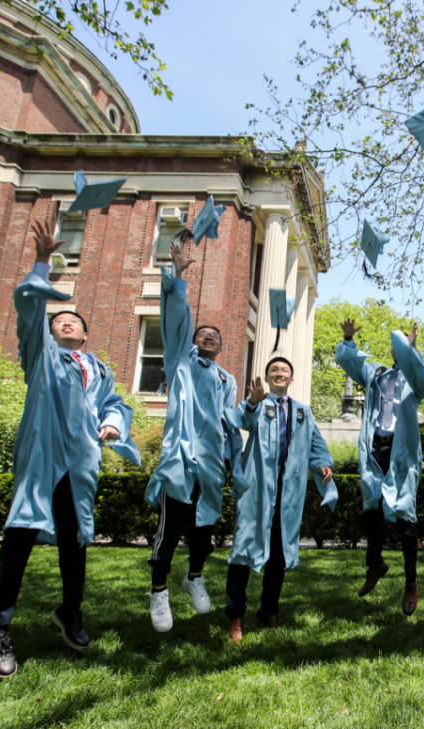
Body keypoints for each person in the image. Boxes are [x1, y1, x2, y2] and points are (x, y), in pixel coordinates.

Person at [0, 221, 140, 680]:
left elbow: (116, 404)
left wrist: (112, 423)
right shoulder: (42, 356)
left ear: (86, 336)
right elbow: (29, 307)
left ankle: (70, 612)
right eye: (57, 321)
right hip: (43, 459)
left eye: (73, 320)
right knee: (20, 540)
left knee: (76, 542)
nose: (64, 320)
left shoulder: (100, 369)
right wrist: (42, 263)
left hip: (81, 465)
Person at [144, 239, 242, 632]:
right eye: (202, 333)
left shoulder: (227, 379)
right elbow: (176, 321)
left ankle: (195, 576)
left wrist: (233, 460)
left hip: (212, 466)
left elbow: (230, 422)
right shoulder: (179, 361)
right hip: (182, 461)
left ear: (222, 345)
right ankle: (158, 590)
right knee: (168, 532)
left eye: (214, 334)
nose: (208, 336)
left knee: (204, 533)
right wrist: (180, 279)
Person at [223, 357, 335, 643]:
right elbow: (243, 421)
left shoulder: (303, 411)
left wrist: (323, 463)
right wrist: (252, 401)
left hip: (288, 493)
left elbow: (316, 444)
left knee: (279, 551)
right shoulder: (258, 404)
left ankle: (269, 608)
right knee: (244, 549)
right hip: (258, 490)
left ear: (291, 378)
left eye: (284, 370)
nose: (279, 373)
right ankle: (236, 614)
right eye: (274, 370)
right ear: (268, 377)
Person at [336, 321, 424, 616]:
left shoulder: (417, 373)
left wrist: (412, 352)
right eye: (397, 343)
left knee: (404, 513)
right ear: (390, 347)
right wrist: (349, 338)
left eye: (406, 343)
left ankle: (411, 582)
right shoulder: (377, 371)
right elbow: (350, 362)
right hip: (375, 445)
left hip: (400, 448)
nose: (399, 347)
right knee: (372, 506)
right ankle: (374, 564)